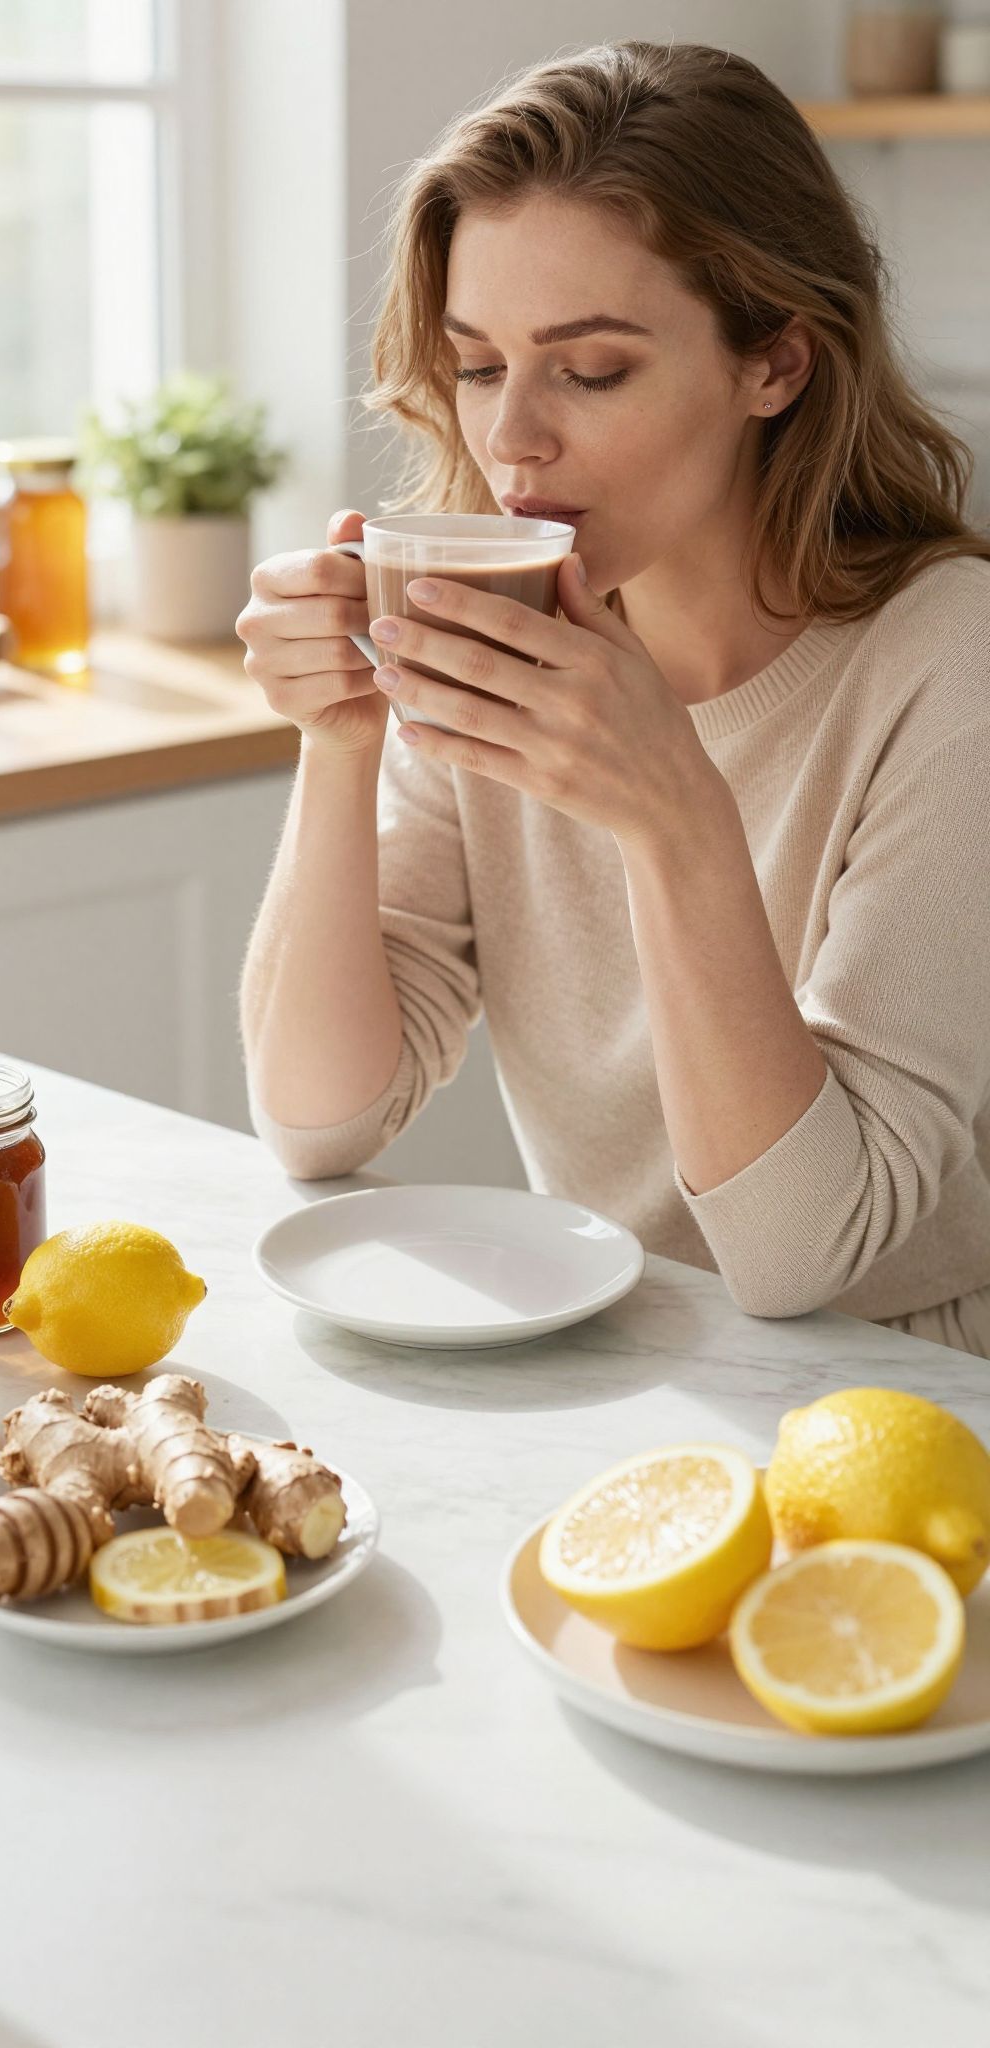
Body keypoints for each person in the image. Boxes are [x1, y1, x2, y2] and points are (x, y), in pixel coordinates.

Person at [236, 40, 990, 1357]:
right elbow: (319, 1118)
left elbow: (805, 1249)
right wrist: (340, 741)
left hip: (911, 1407)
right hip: (628, 1375)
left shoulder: (949, 664)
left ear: (777, 366)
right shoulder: (499, 630)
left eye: (589, 371)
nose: (513, 439)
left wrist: (671, 810)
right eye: (478, 366)